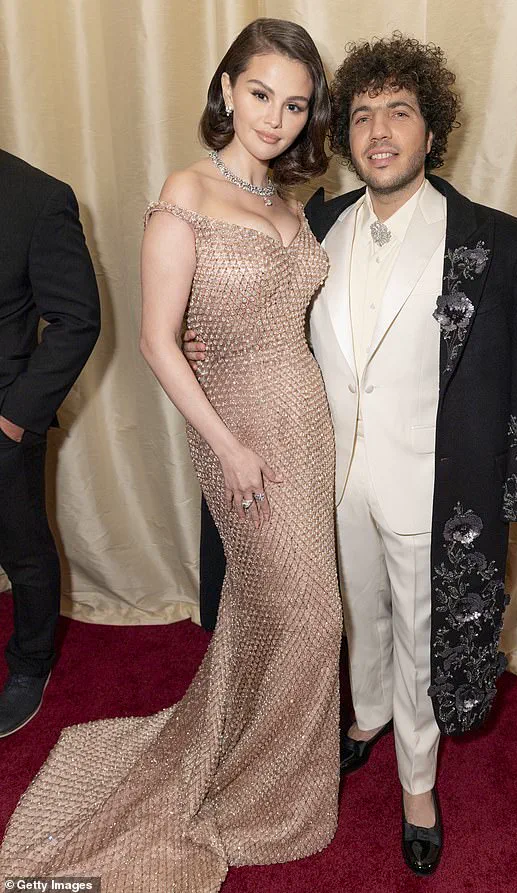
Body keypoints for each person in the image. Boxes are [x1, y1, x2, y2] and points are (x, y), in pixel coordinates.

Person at [185, 34, 517, 875]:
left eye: (400, 112)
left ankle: (417, 783)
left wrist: (512, 489)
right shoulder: (313, 223)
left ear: (431, 130)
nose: (380, 131)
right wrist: (207, 346)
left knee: (422, 634)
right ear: (344, 133)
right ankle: (367, 713)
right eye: (363, 115)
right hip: (324, 476)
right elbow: (265, 318)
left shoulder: (494, 240)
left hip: (434, 487)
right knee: (355, 613)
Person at [0, 19, 341, 893]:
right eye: (259, 93)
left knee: (278, 611)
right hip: (237, 431)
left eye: (294, 104)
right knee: (310, 616)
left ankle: (261, 763)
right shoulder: (185, 190)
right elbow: (159, 341)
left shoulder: (292, 203)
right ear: (226, 89)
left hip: (306, 420)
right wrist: (227, 446)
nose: (274, 118)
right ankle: (256, 789)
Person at [0, 149, 100, 738]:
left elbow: (78, 319)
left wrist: (14, 419)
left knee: (24, 552)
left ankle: (30, 664)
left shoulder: (38, 196)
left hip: (3, 420)